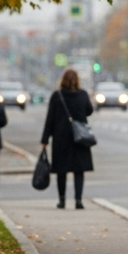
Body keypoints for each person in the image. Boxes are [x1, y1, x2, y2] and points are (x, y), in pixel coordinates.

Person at [41, 69, 94, 209]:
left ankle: (62, 200)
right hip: (79, 138)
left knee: (61, 170)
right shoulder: (82, 95)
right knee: (79, 170)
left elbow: (50, 119)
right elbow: (89, 110)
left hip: (61, 137)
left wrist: (45, 139)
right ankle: (78, 200)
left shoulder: (57, 96)